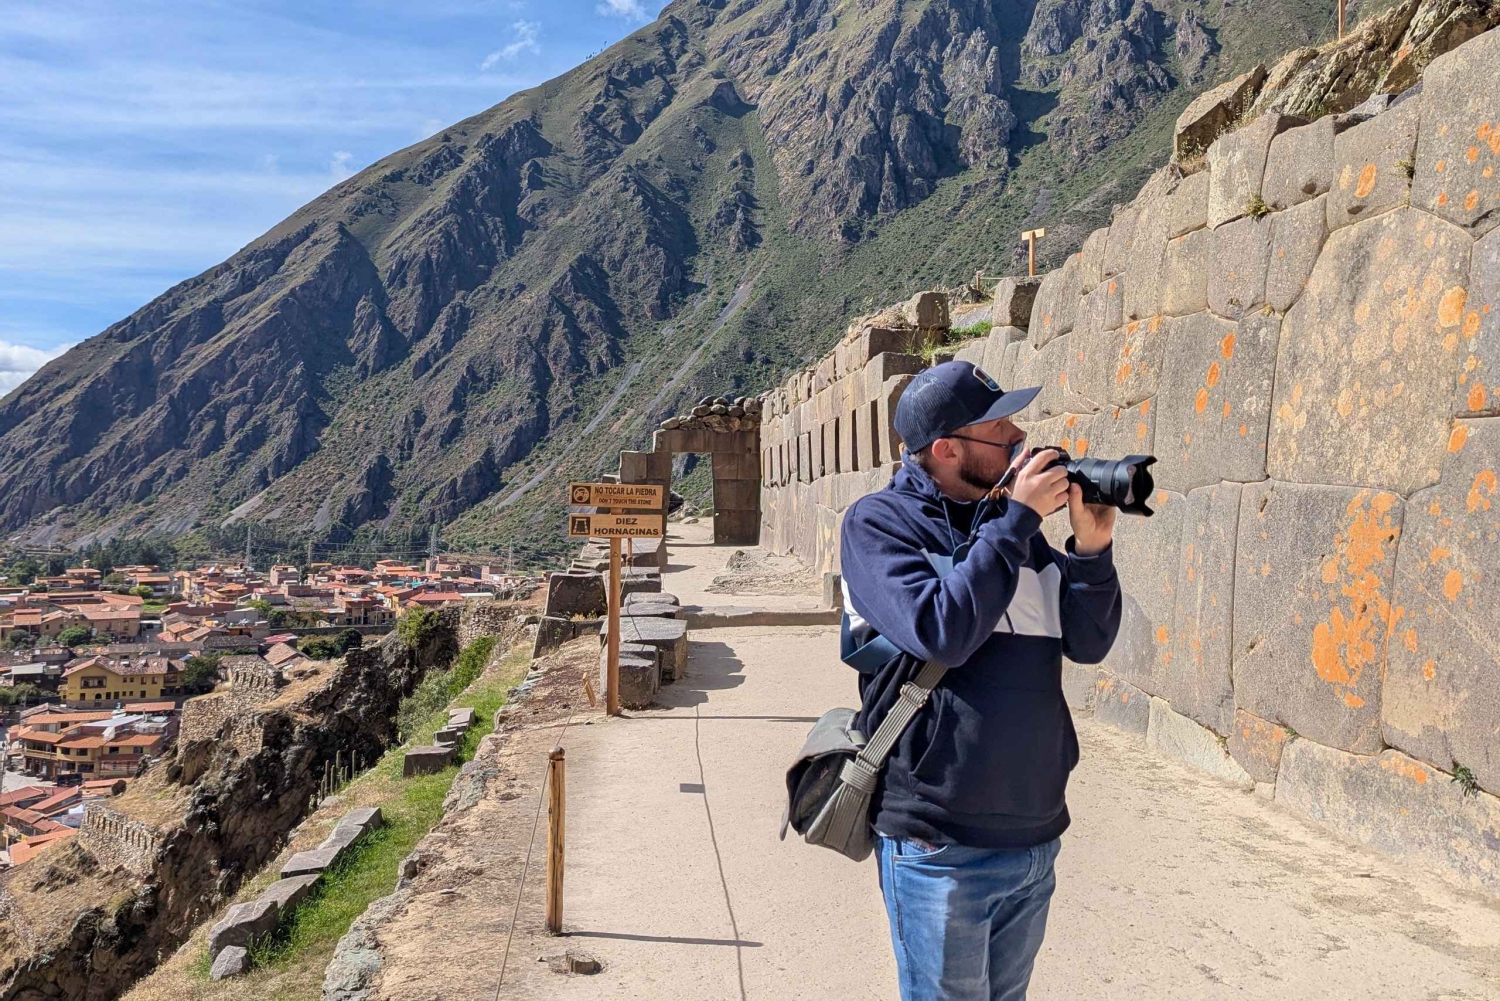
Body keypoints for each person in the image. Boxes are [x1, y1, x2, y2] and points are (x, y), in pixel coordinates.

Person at [839, 360, 1122, 1001]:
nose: (1020, 438)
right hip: (940, 845)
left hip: (1033, 837)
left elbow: (1089, 642)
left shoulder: (1010, 530)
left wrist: (1091, 552)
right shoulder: (878, 526)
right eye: (999, 429)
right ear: (946, 449)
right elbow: (942, 631)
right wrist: (1017, 521)